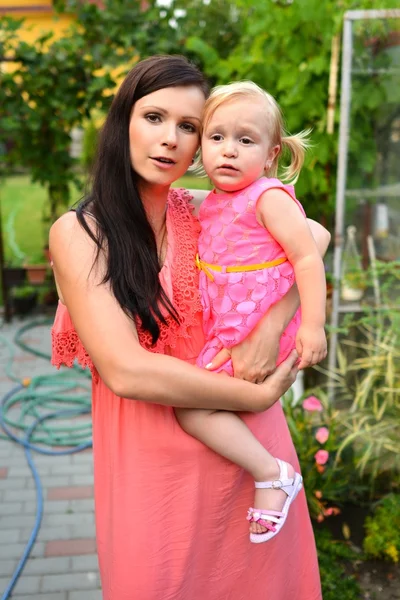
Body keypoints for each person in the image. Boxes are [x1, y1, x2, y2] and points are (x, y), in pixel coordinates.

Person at [50, 55, 330, 600]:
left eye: (189, 127)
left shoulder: (204, 208)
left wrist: (271, 323)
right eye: (154, 118)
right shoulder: (81, 232)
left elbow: (313, 236)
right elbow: (127, 371)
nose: (170, 140)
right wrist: (257, 394)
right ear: (122, 121)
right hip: (157, 478)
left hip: (254, 470)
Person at [174, 81, 327, 544]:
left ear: (272, 153)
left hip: (261, 325)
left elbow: (306, 256)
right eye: (217, 137)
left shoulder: (269, 198)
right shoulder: (216, 202)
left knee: (192, 409)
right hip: (233, 324)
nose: (229, 151)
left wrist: (315, 325)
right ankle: (264, 472)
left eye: (246, 140)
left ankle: (272, 473)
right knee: (196, 403)